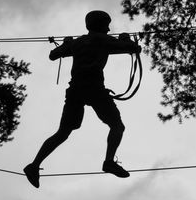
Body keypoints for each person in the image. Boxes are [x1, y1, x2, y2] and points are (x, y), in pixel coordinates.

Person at [23, 10, 141, 188]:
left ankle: (34, 165)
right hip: (94, 89)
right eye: (106, 25)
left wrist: (66, 44)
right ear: (100, 25)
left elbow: (53, 55)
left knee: (63, 133)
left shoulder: (78, 43)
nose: (109, 29)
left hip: (75, 90)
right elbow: (134, 49)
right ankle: (108, 161)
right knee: (117, 126)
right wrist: (125, 39)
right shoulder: (104, 39)